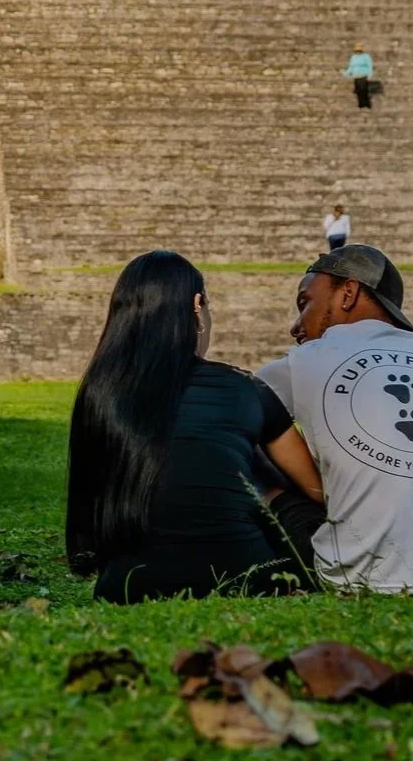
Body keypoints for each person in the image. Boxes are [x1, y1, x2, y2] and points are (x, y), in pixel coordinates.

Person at [65, 250, 324, 603]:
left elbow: (90, 508)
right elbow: (315, 490)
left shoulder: (98, 391)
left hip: (125, 585)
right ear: (197, 306)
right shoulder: (243, 387)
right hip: (247, 576)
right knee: (264, 470)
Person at [257, 245, 413, 594]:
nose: (296, 326)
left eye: (304, 303)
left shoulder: (302, 363)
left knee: (247, 443)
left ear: (349, 292)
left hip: (354, 577)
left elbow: (227, 415)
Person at [343, 45, 375, 110]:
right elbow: (351, 67)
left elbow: (370, 66)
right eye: (357, 51)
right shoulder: (353, 57)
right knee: (358, 92)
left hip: (363, 76)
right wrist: (346, 73)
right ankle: (361, 104)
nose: (358, 52)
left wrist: (370, 75)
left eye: (359, 51)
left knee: (364, 91)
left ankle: (367, 104)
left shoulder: (366, 56)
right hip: (356, 77)